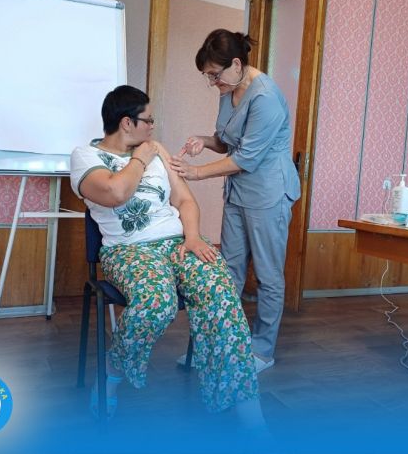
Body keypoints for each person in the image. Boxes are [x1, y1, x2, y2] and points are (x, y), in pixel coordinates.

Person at [69, 85, 265, 428]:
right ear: (127, 123)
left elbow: (185, 200)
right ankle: (112, 371)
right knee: (156, 302)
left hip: (177, 243)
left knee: (220, 290)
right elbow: (116, 193)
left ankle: (246, 406)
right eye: (148, 120)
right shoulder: (85, 156)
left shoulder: (158, 153)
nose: (153, 126)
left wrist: (193, 236)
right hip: (128, 250)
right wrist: (142, 158)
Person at [169, 29, 300, 373]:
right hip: (238, 192)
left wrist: (196, 173)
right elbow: (228, 142)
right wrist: (203, 140)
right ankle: (215, 345)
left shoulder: (266, 97)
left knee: (268, 275)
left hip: (269, 193)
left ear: (237, 64)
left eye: (215, 74)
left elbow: (246, 157)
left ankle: (262, 351)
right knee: (227, 273)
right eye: (208, 76)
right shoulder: (228, 90)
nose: (213, 82)